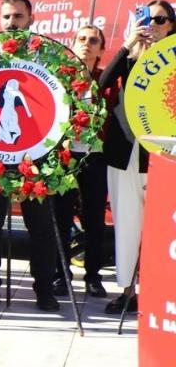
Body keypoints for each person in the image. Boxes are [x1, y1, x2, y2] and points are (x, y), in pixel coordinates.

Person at [0, 0, 62, 310]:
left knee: (41, 227)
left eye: (18, 16)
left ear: (30, 19)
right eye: (6, 16)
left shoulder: (46, 56)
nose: (11, 23)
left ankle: (44, 291)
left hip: (36, 155)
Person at [99, 0, 175, 314]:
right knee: (127, 223)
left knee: (161, 228)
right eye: (149, 19)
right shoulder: (132, 58)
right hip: (123, 153)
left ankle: (159, 289)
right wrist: (128, 46)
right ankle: (128, 291)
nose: (154, 25)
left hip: (161, 156)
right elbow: (102, 84)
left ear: (171, 25)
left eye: (161, 20)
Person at [55, 24, 109, 301]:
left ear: (101, 48)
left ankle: (93, 277)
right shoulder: (60, 78)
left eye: (93, 40)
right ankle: (60, 274)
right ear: (73, 44)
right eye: (82, 39)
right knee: (61, 215)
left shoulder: (105, 79)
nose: (87, 44)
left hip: (95, 157)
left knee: (94, 218)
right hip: (64, 156)